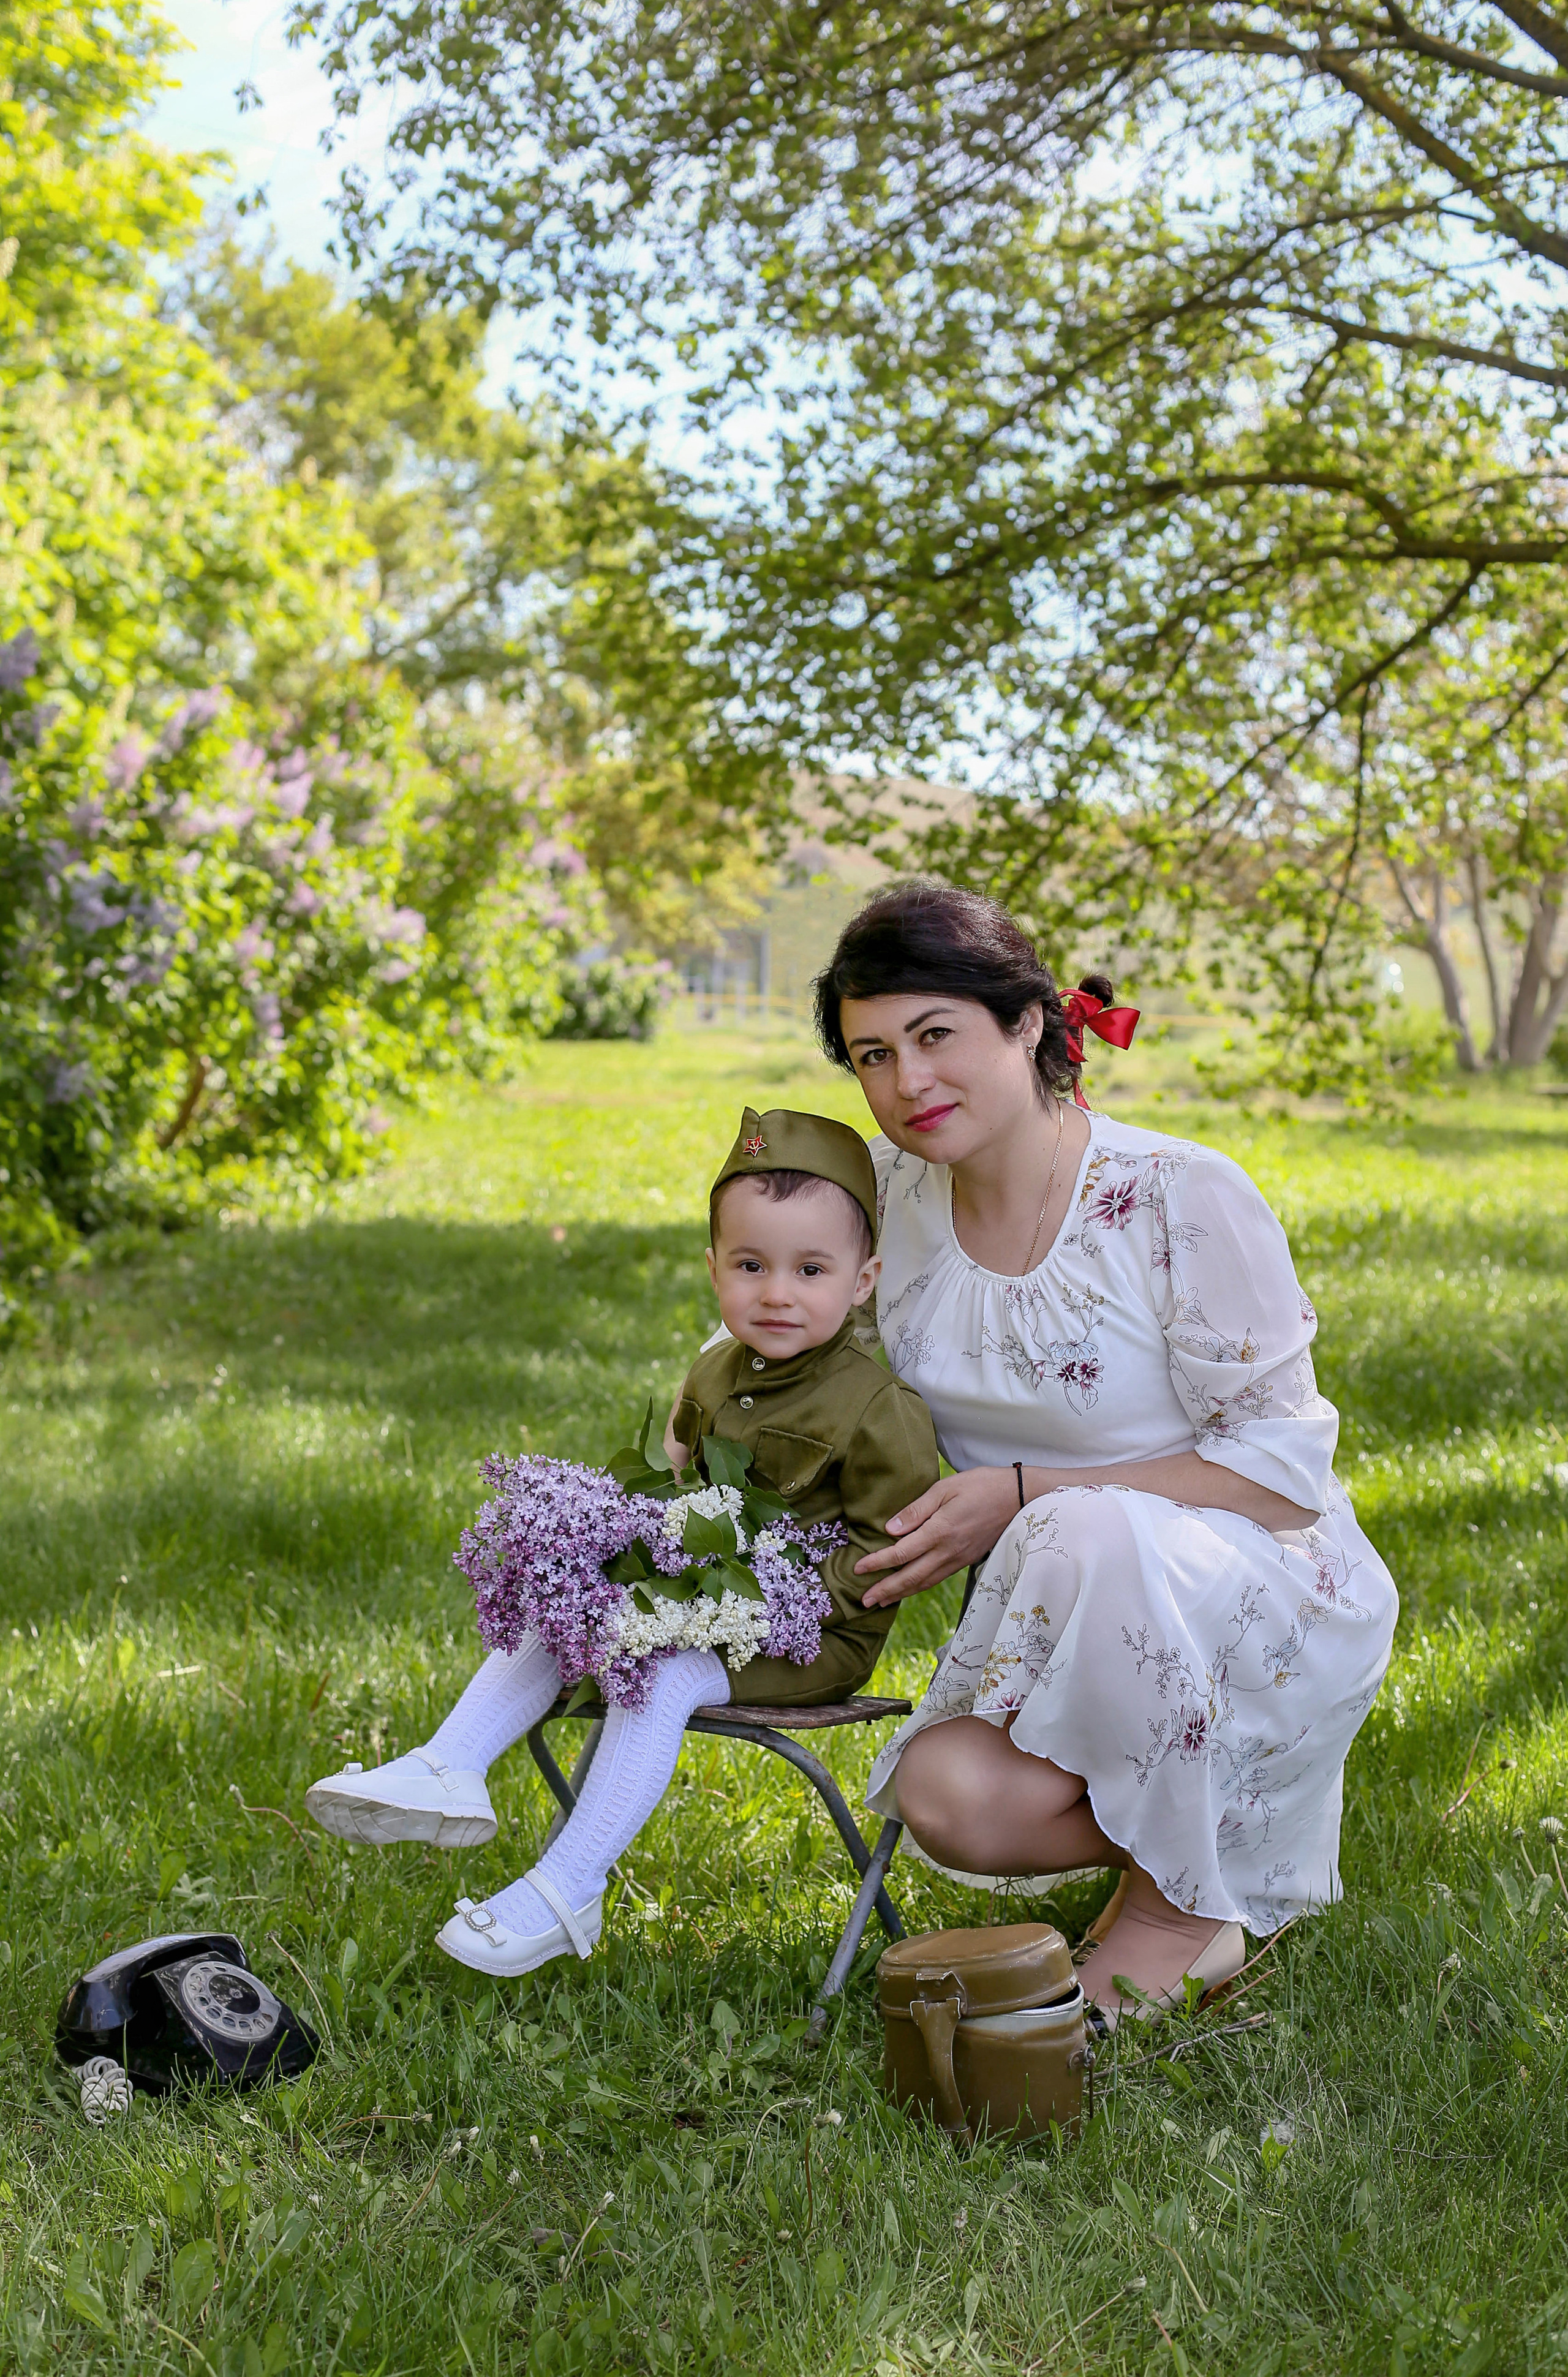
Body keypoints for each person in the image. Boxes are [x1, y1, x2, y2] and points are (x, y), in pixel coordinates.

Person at [807, 881, 1398, 2028]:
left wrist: (1025, 1496)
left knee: (1079, 1523)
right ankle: (1205, 1837)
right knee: (949, 1792)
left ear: (1028, 1022)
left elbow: (1279, 1477)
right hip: (1072, 1617)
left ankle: (1183, 1912)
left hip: (1262, 1590)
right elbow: (783, 1348)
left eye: (937, 1036)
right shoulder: (889, 1202)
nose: (906, 1082)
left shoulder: (1179, 1195)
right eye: (872, 1054)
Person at [303, 1107, 940, 1978]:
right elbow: (676, 1472)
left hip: (813, 1638)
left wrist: (740, 1597)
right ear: (714, 1267)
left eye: (811, 1269)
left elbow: (884, 1562)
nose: (777, 1292)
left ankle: (569, 1886)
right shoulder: (715, 1370)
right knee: (576, 1599)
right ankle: (446, 1763)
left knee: (662, 1664)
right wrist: (633, 1547)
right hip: (706, 1596)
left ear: (863, 1279)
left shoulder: (878, 1411)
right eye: (750, 1265)